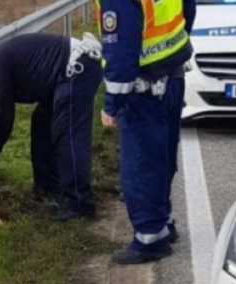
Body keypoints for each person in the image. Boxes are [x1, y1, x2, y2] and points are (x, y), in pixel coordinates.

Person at [94, 0, 196, 264]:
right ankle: (165, 221)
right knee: (161, 156)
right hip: (172, 77)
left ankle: (150, 238)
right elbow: (189, 9)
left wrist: (111, 104)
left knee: (140, 165)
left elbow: (121, 50)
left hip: (143, 90)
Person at [0, 32, 104, 221]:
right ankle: (48, 187)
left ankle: (80, 205)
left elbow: (3, 117)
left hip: (77, 67)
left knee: (67, 133)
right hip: (59, 75)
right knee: (41, 125)